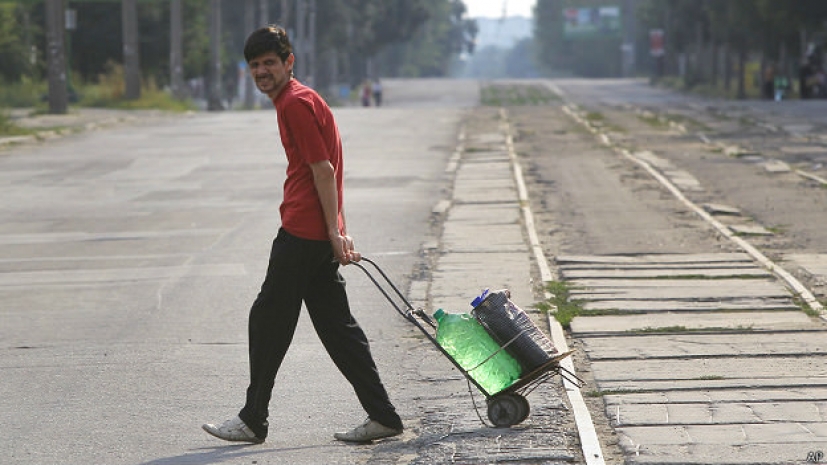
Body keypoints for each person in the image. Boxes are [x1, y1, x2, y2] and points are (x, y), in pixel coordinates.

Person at [202, 25, 403, 445]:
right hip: (315, 232)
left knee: (267, 320)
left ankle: (253, 418)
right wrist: (337, 230)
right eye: (255, 65)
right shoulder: (301, 98)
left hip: (302, 232)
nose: (262, 72)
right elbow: (329, 170)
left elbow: (323, 170)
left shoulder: (294, 103)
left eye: (269, 63)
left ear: (288, 62)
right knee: (337, 328)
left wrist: (334, 231)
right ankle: (383, 415)